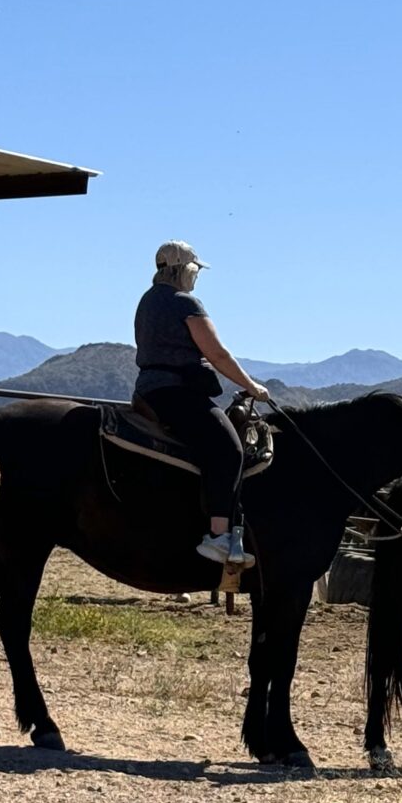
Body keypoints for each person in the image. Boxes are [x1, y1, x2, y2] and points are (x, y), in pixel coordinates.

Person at [132, 240, 270, 567]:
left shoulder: (147, 301)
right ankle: (219, 536)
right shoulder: (185, 303)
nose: (197, 277)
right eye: (196, 270)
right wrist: (251, 386)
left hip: (148, 390)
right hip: (176, 392)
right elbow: (217, 354)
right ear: (184, 269)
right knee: (228, 449)